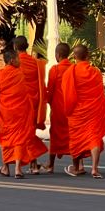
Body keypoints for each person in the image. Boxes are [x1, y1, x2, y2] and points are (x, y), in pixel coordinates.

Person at [61, 45, 105, 179]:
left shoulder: (70, 72)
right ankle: (95, 169)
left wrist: (67, 110)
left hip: (77, 111)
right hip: (93, 110)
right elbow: (100, 93)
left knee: (76, 139)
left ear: (74, 56)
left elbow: (67, 94)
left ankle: (77, 167)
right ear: (88, 55)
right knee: (94, 137)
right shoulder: (95, 72)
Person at [0, 49, 38, 179]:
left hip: (6, 114)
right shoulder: (19, 74)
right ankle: (17, 169)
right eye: (17, 59)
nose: (20, 61)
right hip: (20, 113)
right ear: (11, 61)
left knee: (6, 139)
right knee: (19, 140)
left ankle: (6, 167)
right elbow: (26, 94)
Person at [12, 36, 49, 174]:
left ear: (15, 47)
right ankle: (33, 164)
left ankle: (31, 164)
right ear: (26, 46)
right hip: (33, 102)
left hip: (18, 104)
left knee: (22, 135)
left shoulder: (14, 63)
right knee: (29, 133)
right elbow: (41, 84)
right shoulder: (36, 63)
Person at [45, 43, 73, 174]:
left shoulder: (54, 70)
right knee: (73, 135)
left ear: (57, 55)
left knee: (55, 136)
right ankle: (77, 164)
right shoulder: (74, 68)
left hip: (57, 108)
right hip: (72, 108)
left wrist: (50, 103)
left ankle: (50, 165)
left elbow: (50, 91)